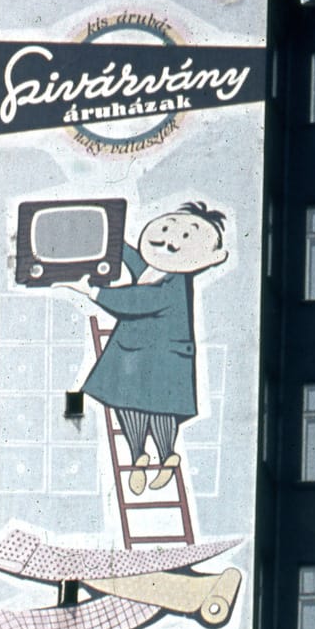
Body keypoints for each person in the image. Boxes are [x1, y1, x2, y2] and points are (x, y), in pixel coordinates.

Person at [81, 202, 228, 494]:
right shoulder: (156, 267)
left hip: (159, 355)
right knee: (127, 402)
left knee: (158, 407)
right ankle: (140, 457)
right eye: (165, 228)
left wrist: (93, 291)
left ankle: (165, 455)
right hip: (135, 352)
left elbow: (139, 300)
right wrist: (109, 236)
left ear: (210, 257)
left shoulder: (175, 281)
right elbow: (136, 261)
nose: (171, 240)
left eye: (187, 237)